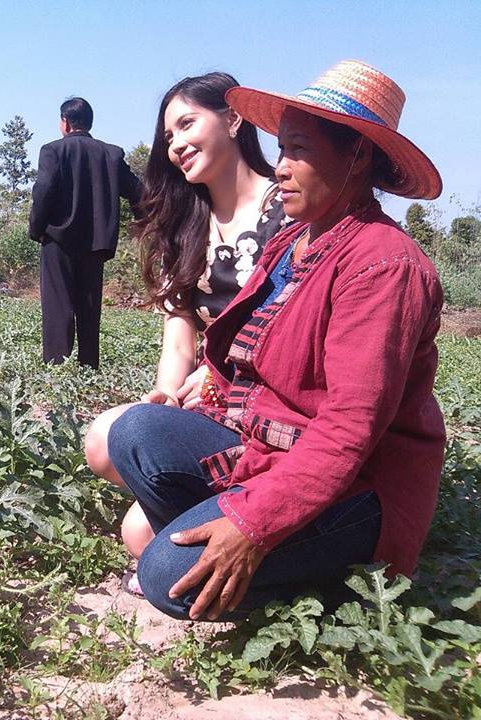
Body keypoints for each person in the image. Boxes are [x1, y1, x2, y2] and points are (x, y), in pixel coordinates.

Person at [107, 60, 445, 621]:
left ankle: (336, 589)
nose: (281, 169)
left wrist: (253, 525)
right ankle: (243, 549)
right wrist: (209, 383)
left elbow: (348, 432)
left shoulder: (383, 265)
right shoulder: (292, 242)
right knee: (136, 431)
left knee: (164, 573)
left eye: (297, 151)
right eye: (280, 149)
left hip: (356, 490)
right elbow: (243, 347)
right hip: (273, 452)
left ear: (357, 156)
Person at [83, 73, 288, 595]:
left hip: (272, 401)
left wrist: (220, 376)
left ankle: (265, 513)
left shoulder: (288, 211)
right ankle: (226, 502)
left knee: (138, 532)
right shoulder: (186, 223)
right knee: (105, 443)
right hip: (212, 398)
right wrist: (170, 393)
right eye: (167, 136)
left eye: (186, 124)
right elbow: (180, 333)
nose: (175, 145)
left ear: (235, 119)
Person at [29, 97, 142, 369]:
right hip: (95, 244)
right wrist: (143, 222)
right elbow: (139, 191)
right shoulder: (111, 154)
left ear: (65, 123)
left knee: (59, 306)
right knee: (89, 308)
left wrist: (37, 230)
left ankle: (57, 368)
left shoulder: (53, 150)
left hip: (57, 241)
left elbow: (43, 190)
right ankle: (89, 365)